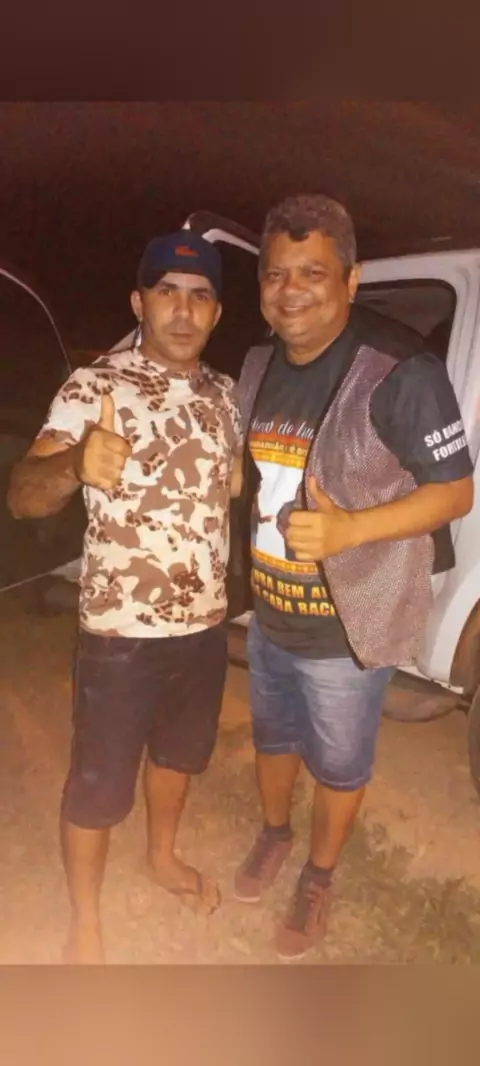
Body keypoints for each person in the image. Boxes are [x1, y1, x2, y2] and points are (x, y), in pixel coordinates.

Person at [233, 194, 474, 960]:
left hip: (348, 629)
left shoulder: (399, 371)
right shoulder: (258, 363)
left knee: (339, 763)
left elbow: (455, 492)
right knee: (274, 739)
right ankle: (275, 834)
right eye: (276, 274)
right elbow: (248, 472)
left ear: (351, 278)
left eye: (313, 273)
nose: (290, 291)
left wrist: (350, 530)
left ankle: (319, 875)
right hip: (270, 616)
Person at [8, 230, 243, 964]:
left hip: (204, 627)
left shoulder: (226, 396)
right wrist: (78, 462)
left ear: (217, 312)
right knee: (98, 784)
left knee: (178, 757)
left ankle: (162, 858)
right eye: (167, 293)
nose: (183, 310)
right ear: (139, 303)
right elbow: (24, 496)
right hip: (120, 633)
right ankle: (86, 922)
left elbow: (229, 485)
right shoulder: (94, 387)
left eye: (199, 296)